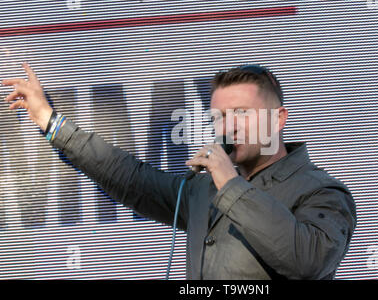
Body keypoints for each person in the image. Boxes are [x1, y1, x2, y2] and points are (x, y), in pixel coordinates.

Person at [2, 61, 356, 279]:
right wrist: (52, 123)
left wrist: (231, 185)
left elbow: (308, 261)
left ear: (278, 119)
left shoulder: (322, 192)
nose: (228, 127)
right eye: (219, 116)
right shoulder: (204, 189)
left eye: (242, 113)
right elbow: (131, 178)